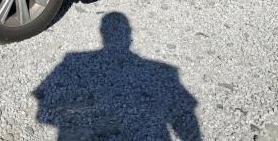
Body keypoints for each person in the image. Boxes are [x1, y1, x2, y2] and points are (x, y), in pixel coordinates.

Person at [34, 12, 201, 140]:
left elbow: (45, 113)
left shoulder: (71, 61)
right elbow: (185, 118)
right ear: (130, 35)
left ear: (101, 33)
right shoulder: (166, 72)